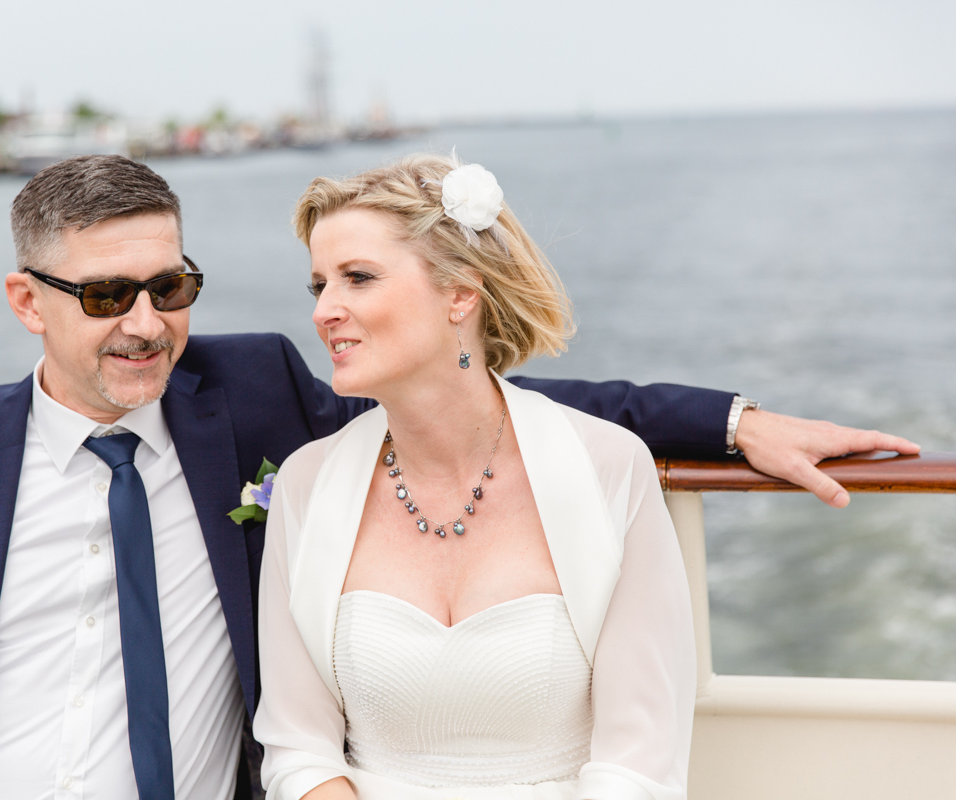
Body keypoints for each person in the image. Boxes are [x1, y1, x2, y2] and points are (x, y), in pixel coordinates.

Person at [0, 155, 916, 800]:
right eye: (104, 296)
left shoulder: (257, 398)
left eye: (171, 287)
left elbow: (475, 399)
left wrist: (734, 418)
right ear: (27, 301)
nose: (147, 324)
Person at [250, 153, 916, 800]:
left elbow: (638, 759)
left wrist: (734, 421)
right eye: (319, 285)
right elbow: (297, 750)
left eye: (357, 278)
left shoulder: (607, 470)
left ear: (459, 294)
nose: (323, 310)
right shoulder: (307, 485)